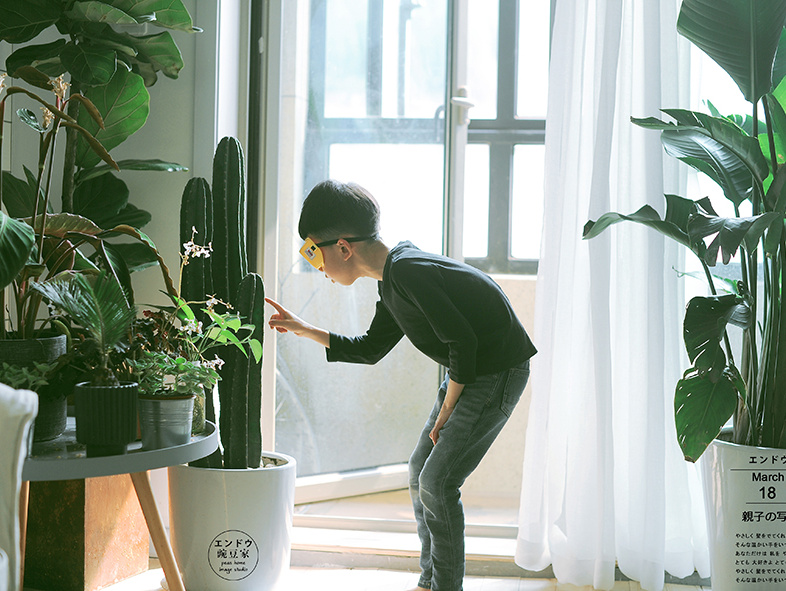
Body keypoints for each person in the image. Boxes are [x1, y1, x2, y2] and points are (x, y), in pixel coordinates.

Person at [266, 179, 536, 591]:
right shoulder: (392, 278)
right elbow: (372, 348)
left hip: (496, 371)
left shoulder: (407, 272)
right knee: (419, 472)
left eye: (312, 252)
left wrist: (448, 406)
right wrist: (304, 329)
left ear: (343, 247)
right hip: (473, 370)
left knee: (438, 482)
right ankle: (430, 581)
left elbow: (461, 341)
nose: (314, 265)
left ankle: (443, 587)